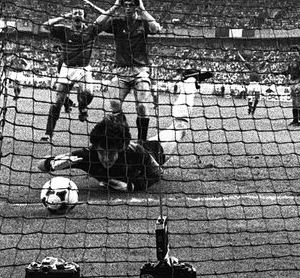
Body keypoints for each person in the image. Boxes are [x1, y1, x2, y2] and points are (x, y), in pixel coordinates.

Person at [38, 70, 213, 192]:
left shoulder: (137, 153)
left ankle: (189, 81)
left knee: (180, 126)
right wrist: (51, 164)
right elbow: (41, 165)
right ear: (96, 148)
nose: (106, 158)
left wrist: (132, 186)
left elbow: (157, 173)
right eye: (103, 153)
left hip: (155, 149)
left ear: (121, 149)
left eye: (112, 153)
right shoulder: (87, 156)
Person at [92, 0, 162, 143]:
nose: (128, 8)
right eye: (126, 5)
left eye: (131, 5)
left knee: (142, 106)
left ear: (136, 6)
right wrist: (114, 7)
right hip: (121, 70)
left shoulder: (143, 23)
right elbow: (97, 25)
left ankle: (142, 142)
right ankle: (124, 134)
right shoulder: (117, 23)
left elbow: (156, 28)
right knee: (114, 103)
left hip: (140, 70)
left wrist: (142, 9)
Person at [40, 7, 102, 142]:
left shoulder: (91, 29)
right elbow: (45, 25)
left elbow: (105, 19)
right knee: (57, 102)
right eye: (74, 13)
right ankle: (48, 133)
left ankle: (82, 107)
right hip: (67, 68)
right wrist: (64, 15)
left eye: (80, 13)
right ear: (71, 16)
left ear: (84, 17)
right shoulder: (64, 30)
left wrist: (94, 8)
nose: (77, 15)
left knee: (88, 93)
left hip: (84, 68)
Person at [237, 49, 269, 117]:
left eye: (255, 60)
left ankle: (253, 110)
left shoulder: (259, 66)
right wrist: (239, 55)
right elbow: (244, 61)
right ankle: (250, 108)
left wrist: (270, 55)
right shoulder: (250, 66)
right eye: (253, 60)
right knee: (250, 97)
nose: (254, 62)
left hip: (257, 84)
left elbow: (265, 60)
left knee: (257, 98)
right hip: (251, 84)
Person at [283, 46, 300, 127]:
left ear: (298, 52)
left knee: (298, 102)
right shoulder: (291, 62)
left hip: (298, 82)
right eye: (292, 51)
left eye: (295, 51)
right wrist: (282, 72)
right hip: (292, 83)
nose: (293, 52)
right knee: (294, 103)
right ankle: (295, 120)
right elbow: (288, 71)